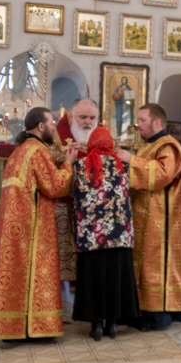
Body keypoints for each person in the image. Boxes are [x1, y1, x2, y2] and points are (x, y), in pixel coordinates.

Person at [0, 107, 77, 340]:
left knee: (16, 275)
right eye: (51, 123)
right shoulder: (38, 150)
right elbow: (55, 186)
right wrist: (68, 163)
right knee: (36, 274)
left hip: (14, 226)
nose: (54, 128)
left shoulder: (18, 151)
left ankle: (12, 329)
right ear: (40, 126)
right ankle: (40, 329)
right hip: (33, 227)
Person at [116, 104, 181, 330]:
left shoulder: (168, 146)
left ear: (157, 122)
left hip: (162, 222)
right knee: (142, 266)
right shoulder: (148, 145)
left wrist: (131, 160)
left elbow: (162, 174)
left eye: (143, 120)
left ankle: (157, 316)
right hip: (143, 218)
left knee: (155, 267)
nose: (138, 125)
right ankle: (141, 311)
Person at [71, 127, 139, 341]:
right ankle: (112, 324)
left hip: (91, 236)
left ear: (91, 143)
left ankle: (96, 326)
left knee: (94, 279)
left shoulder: (80, 165)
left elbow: (70, 191)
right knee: (115, 278)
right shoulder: (123, 165)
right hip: (119, 235)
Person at [56, 99, 98, 322]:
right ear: (72, 116)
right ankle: (63, 308)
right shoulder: (55, 137)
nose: (88, 122)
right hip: (64, 207)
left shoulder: (102, 138)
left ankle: (88, 305)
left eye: (92, 117)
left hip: (93, 213)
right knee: (63, 257)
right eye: (83, 117)